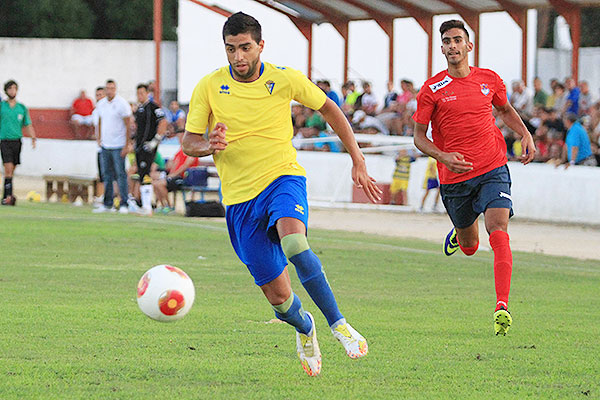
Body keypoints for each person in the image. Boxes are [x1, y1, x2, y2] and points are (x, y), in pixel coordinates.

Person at [182, 12, 380, 377]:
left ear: (260, 45)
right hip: (240, 202)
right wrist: (208, 144)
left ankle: (339, 323)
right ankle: (305, 327)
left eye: (245, 48)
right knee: (280, 300)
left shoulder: (284, 77)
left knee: (295, 244)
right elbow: (189, 141)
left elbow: (329, 108)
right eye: (230, 49)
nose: (238, 57)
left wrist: (357, 157)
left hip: (282, 179)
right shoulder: (209, 86)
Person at [412, 20, 536, 336]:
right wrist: (443, 157)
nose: (452, 46)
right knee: (469, 246)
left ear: (469, 46)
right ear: (442, 49)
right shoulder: (432, 90)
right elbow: (419, 137)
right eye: (447, 42)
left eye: (458, 40)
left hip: (493, 168)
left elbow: (505, 109)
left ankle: (502, 307)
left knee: (498, 229)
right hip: (455, 180)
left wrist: (524, 134)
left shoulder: (489, 79)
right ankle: (459, 233)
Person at [94, 79, 133, 213]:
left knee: (120, 174)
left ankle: (124, 203)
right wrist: (99, 137)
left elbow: (128, 125)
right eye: (107, 88)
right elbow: (99, 121)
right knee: (106, 175)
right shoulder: (102, 104)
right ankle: (107, 203)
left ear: (115, 89)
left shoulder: (122, 104)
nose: (109, 91)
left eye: (112, 88)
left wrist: (126, 145)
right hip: (106, 144)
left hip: (118, 144)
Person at [132, 83, 167, 215]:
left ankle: (147, 206)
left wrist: (156, 140)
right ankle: (144, 204)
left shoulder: (153, 107)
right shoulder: (139, 109)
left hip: (148, 146)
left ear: (147, 93)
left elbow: (163, 121)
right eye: (138, 93)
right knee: (141, 173)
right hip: (139, 146)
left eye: (142, 93)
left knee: (146, 172)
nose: (140, 96)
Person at [0, 80, 37, 205]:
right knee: (8, 168)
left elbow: (28, 124)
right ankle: (8, 197)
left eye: (14, 88)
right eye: (10, 89)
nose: (12, 91)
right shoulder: (2, 106)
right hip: (5, 140)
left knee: (12, 170)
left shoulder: (21, 107)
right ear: (6, 91)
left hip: (17, 141)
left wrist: (33, 137)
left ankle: (7, 195)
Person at [153, 132, 200, 212]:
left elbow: (185, 165)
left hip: (183, 178)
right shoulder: (180, 151)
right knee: (155, 183)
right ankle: (163, 205)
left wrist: (173, 175)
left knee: (160, 184)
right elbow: (172, 164)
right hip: (175, 176)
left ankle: (169, 206)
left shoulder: (191, 151)